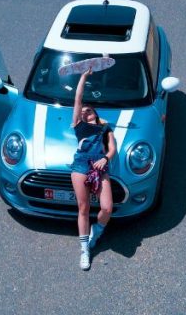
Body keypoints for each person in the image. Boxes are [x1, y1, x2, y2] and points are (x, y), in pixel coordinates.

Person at [70, 67, 115, 271]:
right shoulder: (78, 125)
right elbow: (78, 98)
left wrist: (105, 158)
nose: (84, 111)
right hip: (80, 165)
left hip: (99, 165)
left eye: (89, 110)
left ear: (95, 113)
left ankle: (95, 233)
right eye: (82, 110)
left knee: (107, 207)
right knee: (83, 208)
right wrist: (84, 76)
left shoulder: (105, 127)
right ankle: (84, 250)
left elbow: (113, 149)